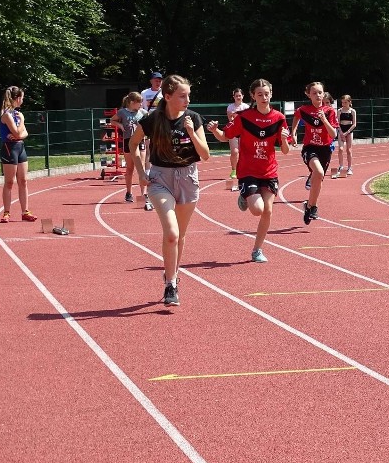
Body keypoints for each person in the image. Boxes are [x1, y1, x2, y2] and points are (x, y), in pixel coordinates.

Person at [131, 74, 210, 306]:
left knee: (180, 235)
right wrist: (140, 172)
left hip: (187, 177)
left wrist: (192, 133)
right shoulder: (152, 119)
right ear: (167, 96)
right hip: (160, 179)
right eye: (182, 96)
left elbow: (205, 155)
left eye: (188, 95)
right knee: (172, 233)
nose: (187, 100)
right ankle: (170, 284)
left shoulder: (193, 118)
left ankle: (172, 274)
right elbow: (133, 144)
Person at [207, 79, 289, 263]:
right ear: (252, 96)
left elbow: (285, 151)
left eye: (266, 93)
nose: (264, 97)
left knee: (267, 211)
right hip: (247, 171)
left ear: (271, 94)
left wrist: (283, 140)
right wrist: (214, 130)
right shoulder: (243, 117)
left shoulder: (279, 118)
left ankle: (257, 249)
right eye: (259, 94)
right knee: (257, 210)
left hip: (269, 171)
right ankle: (244, 196)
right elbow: (224, 136)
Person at [291, 81, 338, 224]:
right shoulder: (304, 110)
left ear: (324, 94)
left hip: (325, 149)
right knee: (318, 172)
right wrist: (293, 133)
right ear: (308, 94)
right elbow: (296, 117)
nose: (317, 95)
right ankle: (314, 206)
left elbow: (333, 134)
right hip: (310, 148)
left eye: (320, 92)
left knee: (319, 177)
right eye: (314, 93)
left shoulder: (329, 111)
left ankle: (310, 206)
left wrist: (324, 119)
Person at [0, 86, 36, 223]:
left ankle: (25, 211)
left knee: (23, 180)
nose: (23, 101)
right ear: (17, 98)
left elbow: (25, 133)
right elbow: (18, 132)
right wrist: (22, 122)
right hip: (9, 148)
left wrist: (20, 132)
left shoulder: (18, 114)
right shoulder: (7, 114)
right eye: (22, 98)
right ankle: (6, 212)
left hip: (20, 147)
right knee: (9, 182)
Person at [110, 92, 153, 211]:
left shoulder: (143, 113)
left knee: (142, 168)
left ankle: (144, 195)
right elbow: (112, 120)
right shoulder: (122, 112)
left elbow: (150, 123)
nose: (141, 105)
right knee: (130, 168)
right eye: (139, 103)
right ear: (132, 103)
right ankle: (128, 192)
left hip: (141, 141)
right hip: (128, 141)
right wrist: (120, 126)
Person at [225, 88, 250, 180]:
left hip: (244, 131)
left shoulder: (246, 107)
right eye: (236, 96)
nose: (238, 97)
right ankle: (234, 170)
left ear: (243, 96)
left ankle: (245, 169)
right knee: (234, 152)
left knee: (244, 151)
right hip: (234, 131)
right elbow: (230, 119)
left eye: (240, 95)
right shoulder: (230, 107)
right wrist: (233, 115)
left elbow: (248, 120)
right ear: (234, 97)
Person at [331, 94, 356, 178]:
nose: (343, 104)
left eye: (345, 102)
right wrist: (341, 133)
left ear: (349, 102)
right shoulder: (340, 111)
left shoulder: (352, 111)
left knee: (349, 150)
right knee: (341, 149)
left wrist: (347, 132)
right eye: (342, 102)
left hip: (349, 131)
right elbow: (337, 123)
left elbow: (354, 124)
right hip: (341, 130)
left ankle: (349, 168)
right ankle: (341, 166)